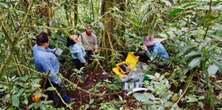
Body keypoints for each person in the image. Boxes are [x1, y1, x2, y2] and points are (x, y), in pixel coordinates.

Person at [32, 32, 71, 104]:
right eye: (48, 41)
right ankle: (67, 102)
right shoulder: (43, 57)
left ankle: (55, 101)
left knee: (50, 91)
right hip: (49, 76)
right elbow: (50, 73)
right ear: (45, 43)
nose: (49, 42)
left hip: (43, 73)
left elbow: (47, 50)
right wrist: (58, 81)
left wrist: (54, 50)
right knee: (60, 89)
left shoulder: (36, 47)